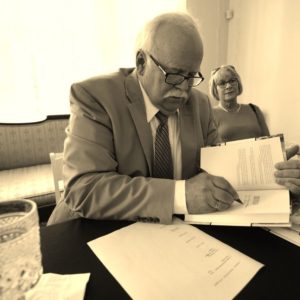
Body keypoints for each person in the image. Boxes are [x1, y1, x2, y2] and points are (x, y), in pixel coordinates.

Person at [48, 12, 300, 225]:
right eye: (175, 75)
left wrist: (271, 174)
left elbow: (219, 168)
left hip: (176, 238)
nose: (183, 90)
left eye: (192, 77)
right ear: (141, 62)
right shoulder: (96, 97)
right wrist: (180, 195)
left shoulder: (200, 104)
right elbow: (85, 188)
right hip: (90, 234)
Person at [209, 65, 270, 142]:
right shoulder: (210, 115)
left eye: (232, 81)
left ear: (238, 83)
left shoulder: (255, 110)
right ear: (215, 89)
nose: (228, 86)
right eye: (222, 83)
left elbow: (269, 144)